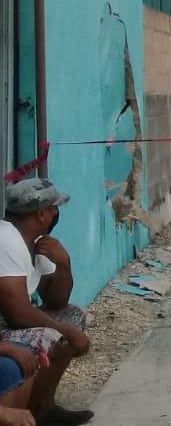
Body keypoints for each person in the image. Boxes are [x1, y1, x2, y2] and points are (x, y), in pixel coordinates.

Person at [0, 178, 93, 425]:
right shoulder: (6, 239)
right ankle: (16, 411)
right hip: (4, 327)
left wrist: (64, 264)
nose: (56, 214)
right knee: (47, 335)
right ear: (42, 213)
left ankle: (43, 407)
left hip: (11, 324)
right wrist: (68, 332)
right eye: (54, 208)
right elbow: (18, 314)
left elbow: (56, 300)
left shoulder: (35, 241)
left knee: (74, 315)